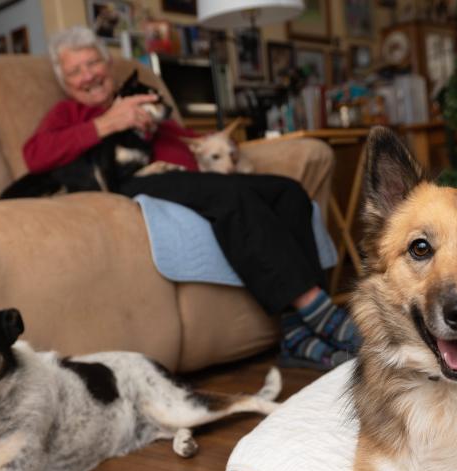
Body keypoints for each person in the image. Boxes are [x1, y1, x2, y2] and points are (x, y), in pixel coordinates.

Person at [24, 27, 361, 370]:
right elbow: (35, 156)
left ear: (107, 63)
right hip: (136, 178)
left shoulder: (138, 96)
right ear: (66, 83)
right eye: (75, 71)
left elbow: (183, 138)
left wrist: (210, 141)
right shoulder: (68, 114)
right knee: (228, 194)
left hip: (189, 178)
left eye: (92, 63)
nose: (88, 75)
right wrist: (109, 122)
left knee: (287, 192)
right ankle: (320, 313)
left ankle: (296, 336)